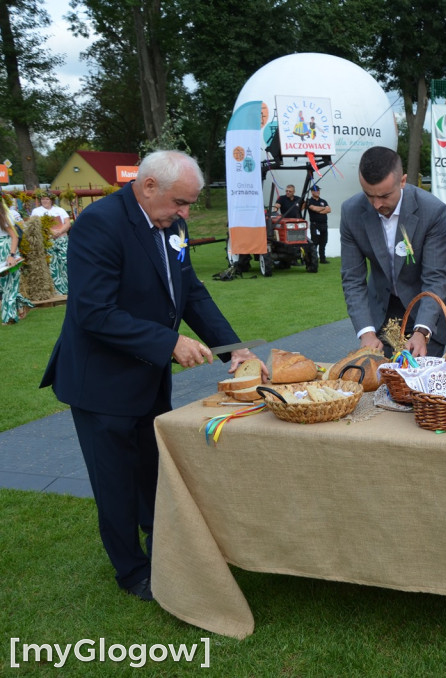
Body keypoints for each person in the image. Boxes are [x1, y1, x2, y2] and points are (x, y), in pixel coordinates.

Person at [39, 150, 265, 601]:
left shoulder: (170, 224)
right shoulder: (100, 224)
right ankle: (133, 573)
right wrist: (169, 343)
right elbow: (94, 312)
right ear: (147, 187)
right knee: (116, 484)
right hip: (101, 383)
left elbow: (192, 294)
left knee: (153, 475)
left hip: (147, 378)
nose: (185, 215)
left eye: (188, 205)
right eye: (180, 203)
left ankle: (163, 550)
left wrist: (231, 348)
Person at [340, 146, 446, 358]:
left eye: (385, 196)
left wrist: (422, 331)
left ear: (403, 181)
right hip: (383, 313)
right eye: (369, 195)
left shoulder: (432, 211)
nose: (377, 204)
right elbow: (352, 279)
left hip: (427, 310)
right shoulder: (351, 212)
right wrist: (366, 332)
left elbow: (435, 277)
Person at [31, 193, 71, 295]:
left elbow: (67, 223)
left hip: (62, 239)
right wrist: (50, 231)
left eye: (47, 199)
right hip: (48, 240)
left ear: (51, 200)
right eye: (43, 199)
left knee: (65, 261)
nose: (45, 201)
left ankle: (70, 286)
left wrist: (60, 231)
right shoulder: (36, 211)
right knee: (52, 264)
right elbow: (35, 225)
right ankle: (57, 290)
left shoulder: (59, 210)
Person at [1, 204, 32, 324]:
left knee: (9, 285)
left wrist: (12, 255)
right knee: (4, 287)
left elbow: (15, 236)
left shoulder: (5, 215)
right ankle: (23, 304)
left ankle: (9, 318)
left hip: (8, 251)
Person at [305, 184, 331, 264]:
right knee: (315, 242)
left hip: (324, 224)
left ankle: (323, 259)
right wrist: (323, 209)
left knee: (323, 242)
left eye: (318, 190)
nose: (318, 192)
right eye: (316, 190)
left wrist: (319, 210)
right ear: (312, 192)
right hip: (315, 225)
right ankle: (314, 259)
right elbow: (314, 208)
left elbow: (329, 209)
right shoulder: (309, 201)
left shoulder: (323, 201)